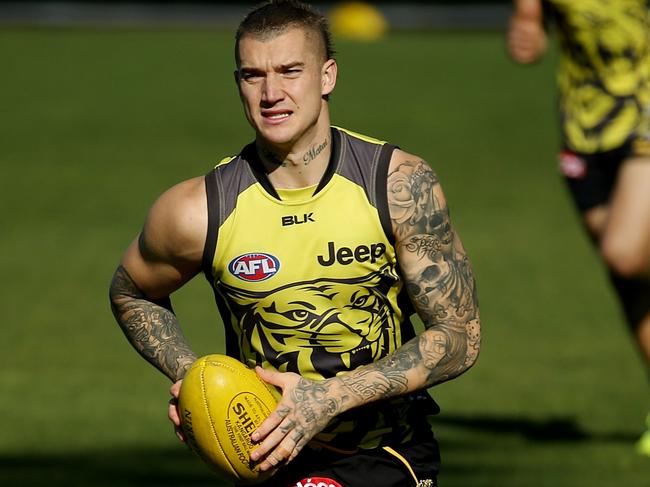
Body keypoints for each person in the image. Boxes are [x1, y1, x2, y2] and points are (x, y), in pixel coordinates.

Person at [109, 1, 480, 485]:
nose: (270, 93)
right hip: (262, 456)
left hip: (386, 452)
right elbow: (133, 291)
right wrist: (198, 380)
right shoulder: (197, 210)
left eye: (289, 71)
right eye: (252, 75)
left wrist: (330, 397)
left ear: (327, 77)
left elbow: (459, 336)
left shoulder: (398, 186)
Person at [507, 0, 650, 456]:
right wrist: (527, 29)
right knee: (629, 280)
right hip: (583, 129)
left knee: (624, 253)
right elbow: (528, 31)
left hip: (644, 115)